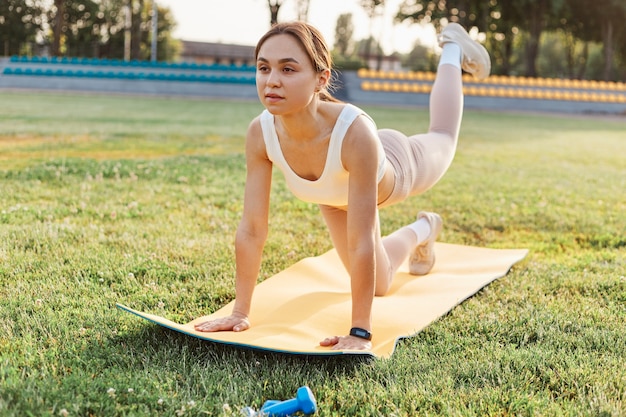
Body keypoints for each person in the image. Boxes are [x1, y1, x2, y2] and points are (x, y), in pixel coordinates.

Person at [194, 21, 490, 350]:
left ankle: (452, 48)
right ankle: (424, 227)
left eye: (288, 69)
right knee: (379, 284)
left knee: (444, 136)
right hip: (335, 198)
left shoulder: (355, 132)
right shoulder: (260, 133)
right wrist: (239, 311)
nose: (272, 80)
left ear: (321, 78)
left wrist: (360, 331)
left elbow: (361, 240)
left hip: (395, 164)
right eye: (263, 68)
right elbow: (252, 229)